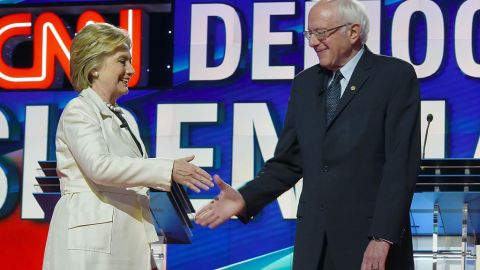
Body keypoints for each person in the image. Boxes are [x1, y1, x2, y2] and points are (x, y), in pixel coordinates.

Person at [195, 0, 420, 269]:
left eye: (321, 33)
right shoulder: (305, 83)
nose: (313, 42)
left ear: (354, 31)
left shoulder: (393, 76)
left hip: (369, 244)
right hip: (314, 245)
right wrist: (245, 198)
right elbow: (289, 161)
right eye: (309, 34)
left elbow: (401, 164)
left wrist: (383, 237)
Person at [42, 23, 213, 270]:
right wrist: (166, 170)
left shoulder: (125, 116)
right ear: (94, 68)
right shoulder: (79, 110)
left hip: (129, 239)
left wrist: (156, 244)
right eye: (122, 61)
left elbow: (135, 180)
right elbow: (98, 167)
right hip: (92, 245)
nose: (131, 70)